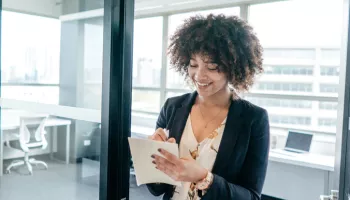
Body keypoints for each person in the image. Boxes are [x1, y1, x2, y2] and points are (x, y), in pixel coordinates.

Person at [147, 13, 270, 200]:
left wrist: (203, 178)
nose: (199, 75)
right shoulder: (172, 107)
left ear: (233, 67)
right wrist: (155, 155)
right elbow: (157, 189)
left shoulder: (253, 119)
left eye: (212, 67)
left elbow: (251, 196)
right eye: (193, 65)